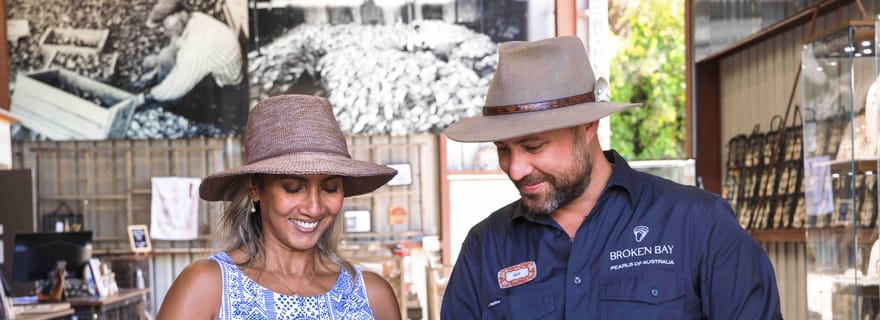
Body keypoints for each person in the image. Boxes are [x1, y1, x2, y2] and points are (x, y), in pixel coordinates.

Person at [440, 36, 783, 319]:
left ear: (588, 127)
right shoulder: (485, 248)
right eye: (503, 150)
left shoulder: (699, 224)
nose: (515, 169)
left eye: (533, 147)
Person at [157, 95, 402, 320]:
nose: (314, 208)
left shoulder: (372, 296)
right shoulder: (208, 287)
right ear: (255, 189)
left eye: (329, 189)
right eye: (294, 188)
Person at [133, 0, 247, 133]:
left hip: (227, 88)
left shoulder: (198, 46)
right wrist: (155, 71)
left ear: (178, 17)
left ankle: (170, 104)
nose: (164, 31)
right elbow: (175, 46)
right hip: (213, 66)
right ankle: (161, 87)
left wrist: (147, 97)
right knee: (163, 56)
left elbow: (178, 85)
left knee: (177, 95)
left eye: (165, 26)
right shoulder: (193, 18)